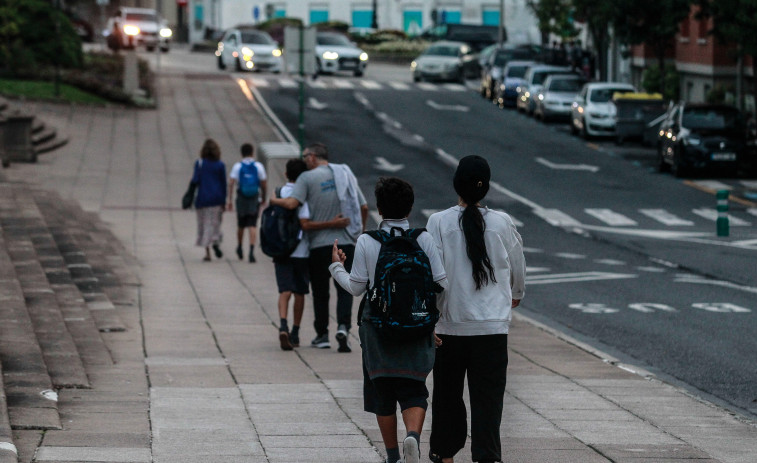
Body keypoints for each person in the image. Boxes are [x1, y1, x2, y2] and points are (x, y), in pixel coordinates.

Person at [329, 177, 447, 463]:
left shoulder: (368, 240)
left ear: (379, 209)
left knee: (382, 391)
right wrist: (431, 321)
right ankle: (413, 438)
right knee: (414, 389)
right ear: (409, 208)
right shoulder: (423, 238)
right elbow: (441, 283)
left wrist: (335, 266)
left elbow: (357, 288)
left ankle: (393, 456)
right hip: (418, 326)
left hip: (377, 327)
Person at [425, 155, 526, 463]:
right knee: (489, 401)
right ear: (487, 188)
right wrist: (515, 294)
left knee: (447, 397)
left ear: (456, 184)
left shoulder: (438, 222)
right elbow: (517, 268)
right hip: (492, 329)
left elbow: (433, 276)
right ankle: (487, 456)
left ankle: (444, 453)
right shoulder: (503, 222)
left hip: (449, 327)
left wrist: (432, 318)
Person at [270, 142, 368, 352]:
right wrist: (359, 233)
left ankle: (322, 335)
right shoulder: (345, 174)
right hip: (346, 241)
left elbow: (292, 204)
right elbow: (364, 206)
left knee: (320, 292)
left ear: (313, 157)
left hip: (319, 245)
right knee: (345, 289)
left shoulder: (306, 178)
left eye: (305, 156)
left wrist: (273, 200)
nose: (305, 161)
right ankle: (343, 327)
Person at [275, 159, 311, 350]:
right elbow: (305, 222)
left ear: (286, 174)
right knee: (300, 292)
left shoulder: (279, 193)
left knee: (284, 290)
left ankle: (283, 325)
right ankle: (295, 332)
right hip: (301, 251)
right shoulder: (304, 194)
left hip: (280, 250)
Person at [227, 143, 267, 263]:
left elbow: (231, 183)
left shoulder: (237, 166)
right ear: (252, 152)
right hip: (254, 197)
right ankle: (251, 250)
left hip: (241, 197)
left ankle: (239, 246)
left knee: (241, 224)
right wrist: (264, 197)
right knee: (252, 224)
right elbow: (264, 183)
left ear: (241, 153)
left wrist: (229, 199)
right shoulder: (259, 166)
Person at [191, 138, 227, 262]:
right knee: (215, 224)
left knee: (204, 225)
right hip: (217, 199)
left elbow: (195, 180)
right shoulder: (220, 165)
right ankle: (216, 240)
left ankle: (207, 252)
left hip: (203, 198)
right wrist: (224, 201)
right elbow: (223, 184)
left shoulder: (200, 163)